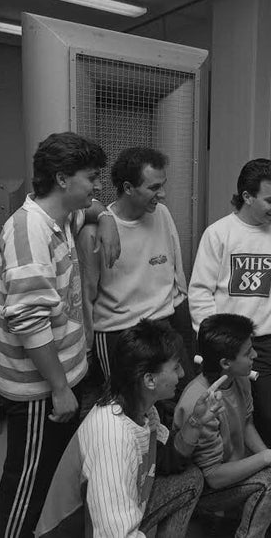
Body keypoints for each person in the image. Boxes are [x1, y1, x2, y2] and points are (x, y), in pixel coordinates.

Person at [0, 132, 121, 537]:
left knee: (49, 477)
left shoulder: (62, 217)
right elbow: (29, 322)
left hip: (64, 377)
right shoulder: (28, 232)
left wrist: (108, 218)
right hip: (40, 390)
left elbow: (94, 208)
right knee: (26, 482)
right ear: (63, 178)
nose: (98, 185)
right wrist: (60, 387)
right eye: (92, 177)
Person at [35, 319, 221, 537]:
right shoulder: (113, 436)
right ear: (150, 380)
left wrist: (196, 422)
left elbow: (167, 460)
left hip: (101, 520)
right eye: (175, 367)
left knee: (190, 479)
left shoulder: (142, 410)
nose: (181, 374)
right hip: (76, 531)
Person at [188, 158, 271, 449]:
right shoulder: (218, 234)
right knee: (223, 413)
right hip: (225, 345)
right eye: (270, 200)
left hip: (268, 342)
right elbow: (200, 292)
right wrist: (212, 341)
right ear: (247, 196)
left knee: (268, 415)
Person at [174, 313, 271, 537]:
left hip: (233, 474)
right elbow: (213, 476)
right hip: (207, 488)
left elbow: (247, 424)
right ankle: (224, 519)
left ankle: (231, 514)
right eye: (248, 352)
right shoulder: (199, 403)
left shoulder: (238, 377)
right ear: (225, 363)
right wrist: (267, 458)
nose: (255, 355)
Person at [77, 147, 192, 413]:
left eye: (163, 186)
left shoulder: (162, 214)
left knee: (177, 401)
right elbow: (87, 295)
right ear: (128, 188)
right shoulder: (94, 232)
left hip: (164, 321)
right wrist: (88, 347)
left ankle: (167, 454)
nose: (161, 194)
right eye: (154, 187)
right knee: (132, 409)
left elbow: (177, 270)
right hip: (120, 330)